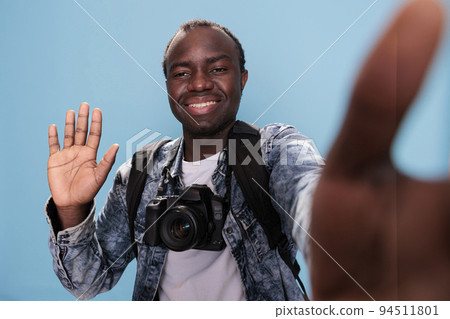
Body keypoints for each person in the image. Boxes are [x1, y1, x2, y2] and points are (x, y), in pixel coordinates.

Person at [46, 0, 449, 301]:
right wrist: (71, 209)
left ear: (243, 78)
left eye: (218, 68)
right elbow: (87, 281)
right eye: (181, 73)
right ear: (168, 86)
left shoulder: (273, 150)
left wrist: (337, 235)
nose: (199, 83)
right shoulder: (139, 173)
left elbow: (308, 192)